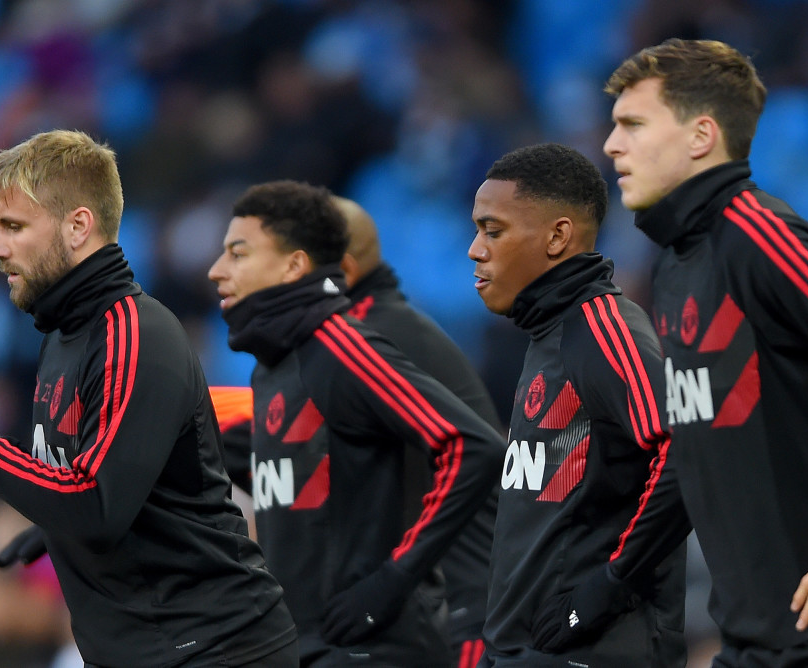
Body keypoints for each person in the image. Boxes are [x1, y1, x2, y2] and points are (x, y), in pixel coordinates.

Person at [593, 38, 808, 666]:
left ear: (701, 136)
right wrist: (614, 577)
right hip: (757, 640)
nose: (610, 145)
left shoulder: (753, 233)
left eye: (633, 124)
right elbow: (693, 446)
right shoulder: (676, 263)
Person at [0, 130, 298, 668]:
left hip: (215, 649)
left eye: (13, 227)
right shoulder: (62, 337)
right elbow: (100, 478)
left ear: (78, 226)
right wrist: (48, 522)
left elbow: (94, 504)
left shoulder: (133, 334)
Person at [207, 180, 503, 667]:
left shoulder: (346, 344)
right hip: (312, 643)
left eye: (238, 254)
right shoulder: (274, 365)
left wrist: (392, 580)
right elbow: (297, 472)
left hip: (385, 644)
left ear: (294, 265)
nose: (216, 270)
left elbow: (474, 447)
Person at [467, 143, 686, 667]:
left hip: (594, 650)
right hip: (529, 649)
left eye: (493, 231)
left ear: (557, 236)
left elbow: (685, 449)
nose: (475, 250)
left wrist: (608, 586)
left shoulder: (603, 328)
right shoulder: (550, 332)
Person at [335, 195, 501, 668]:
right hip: (437, 606)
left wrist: (393, 576)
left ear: (342, 271)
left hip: (466, 607)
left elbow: (480, 450)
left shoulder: (373, 341)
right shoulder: (370, 329)